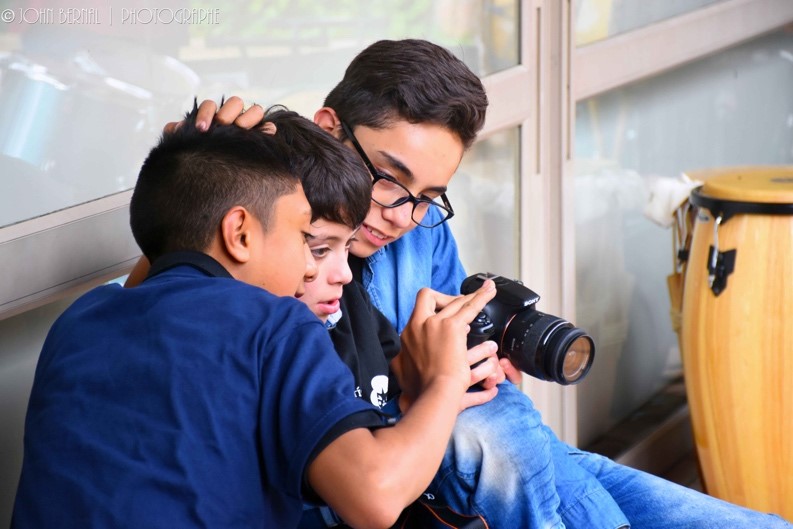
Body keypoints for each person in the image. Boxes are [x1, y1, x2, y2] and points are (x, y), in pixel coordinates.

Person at [140, 39, 793, 528]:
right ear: (331, 127)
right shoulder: (251, 232)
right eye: (389, 178)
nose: (400, 215)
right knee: (489, 433)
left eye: (429, 195)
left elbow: (480, 390)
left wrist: (480, 362)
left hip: (498, 458)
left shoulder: (419, 229)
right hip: (395, 475)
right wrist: (186, 189)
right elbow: (156, 305)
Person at [11, 111, 498, 529]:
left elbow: (167, 265)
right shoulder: (274, 323)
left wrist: (194, 175)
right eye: (305, 238)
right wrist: (445, 382)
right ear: (240, 232)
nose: (314, 268)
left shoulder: (81, 319)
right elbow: (374, 499)